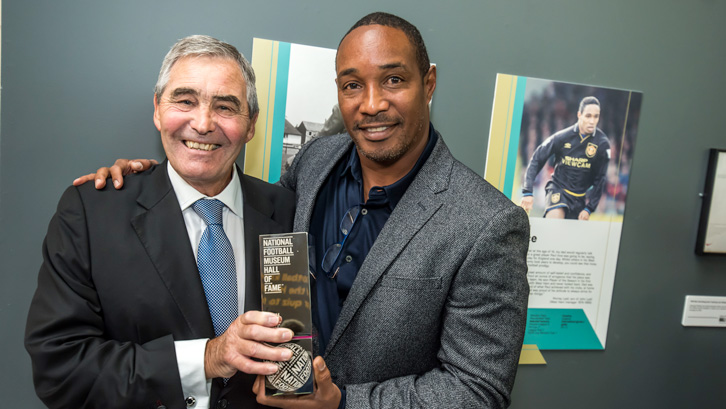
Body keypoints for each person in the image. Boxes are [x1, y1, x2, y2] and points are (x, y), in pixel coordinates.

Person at [75, 13, 530, 409]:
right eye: (353, 85)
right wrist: (156, 181)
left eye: (393, 79)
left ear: (428, 83)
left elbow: (477, 390)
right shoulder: (316, 162)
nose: (372, 104)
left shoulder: (487, 223)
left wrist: (342, 403)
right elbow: (238, 206)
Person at [25, 35, 306, 409]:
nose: (203, 123)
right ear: (158, 109)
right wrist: (206, 359)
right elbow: (60, 369)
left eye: (225, 107)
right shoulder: (90, 214)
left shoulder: (288, 212)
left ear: (251, 124)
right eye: (185, 100)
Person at [520, 96, 611, 220]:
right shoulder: (562, 137)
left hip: (579, 198)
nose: (592, 121)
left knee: (568, 238)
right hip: (558, 190)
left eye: (596, 116)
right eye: (588, 116)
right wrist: (527, 192)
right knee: (555, 225)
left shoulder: (602, 144)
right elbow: (537, 158)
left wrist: (589, 208)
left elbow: (600, 178)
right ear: (579, 115)